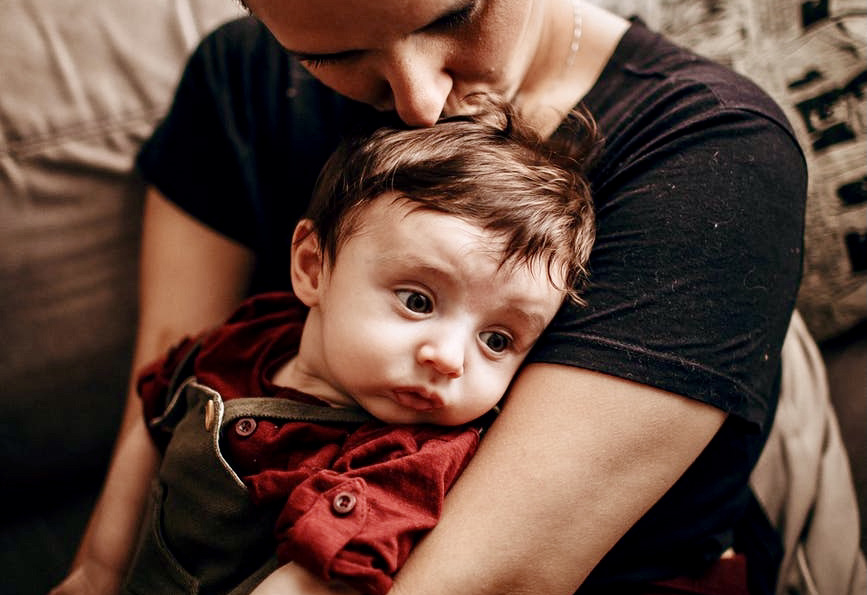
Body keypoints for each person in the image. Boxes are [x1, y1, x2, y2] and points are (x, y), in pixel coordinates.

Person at [54, 0, 811, 594]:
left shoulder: (709, 156)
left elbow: (492, 577)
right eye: (333, 55)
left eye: (454, 13)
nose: (419, 101)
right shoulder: (242, 83)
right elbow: (171, 396)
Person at [117, 105, 596, 595]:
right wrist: (97, 569)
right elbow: (155, 416)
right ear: (311, 268)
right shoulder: (250, 338)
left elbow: (310, 584)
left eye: (496, 340)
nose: (450, 359)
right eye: (417, 301)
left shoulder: (409, 461)